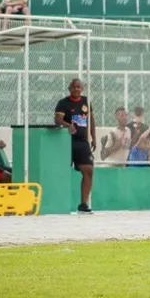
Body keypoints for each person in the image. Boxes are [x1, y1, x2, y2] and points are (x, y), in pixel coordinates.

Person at [55, 78, 98, 214]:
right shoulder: (63, 103)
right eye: (74, 87)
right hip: (66, 142)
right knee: (60, 172)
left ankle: (83, 204)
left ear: (82, 89)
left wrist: (93, 137)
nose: (76, 89)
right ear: (69, 88)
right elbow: (57, 120)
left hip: (82, 142)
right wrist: (69, 125)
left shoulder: (86, 102)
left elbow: (91, 121)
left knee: (89, 170)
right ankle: (56, 202)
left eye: (79, 87)